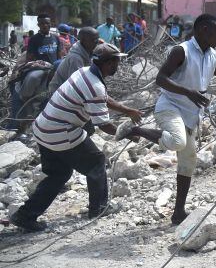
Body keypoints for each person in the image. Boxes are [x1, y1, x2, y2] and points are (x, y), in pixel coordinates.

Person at [116, 14, 216, 225]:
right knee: (177, 141)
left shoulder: (213, 55)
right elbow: (161, 78)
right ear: (204, 30)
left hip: (191, 113)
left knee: (187, 163)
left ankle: (178, 213)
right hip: (170, 107)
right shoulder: (182, 51)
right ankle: (137, 130)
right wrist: (189, 92)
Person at [9, 44, 142, 232]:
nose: (117, 65)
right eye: (116, 61)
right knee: (96, 161)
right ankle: (99, 208)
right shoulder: (94, 85)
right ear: (108, 63)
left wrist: (127, 110)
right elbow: (104, 124)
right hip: (60, 132)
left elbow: (104, 98)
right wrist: (128, 133)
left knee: (59, 174)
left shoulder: (86, 72)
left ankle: (24, 215)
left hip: (43, 128)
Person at [48, 27, 100, 93]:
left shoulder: (88, 51)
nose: (97, 42)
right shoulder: (76, 58)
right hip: (59, 92)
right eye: (93, 40)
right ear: (83, 40)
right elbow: (76, 84)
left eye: (97, 39)